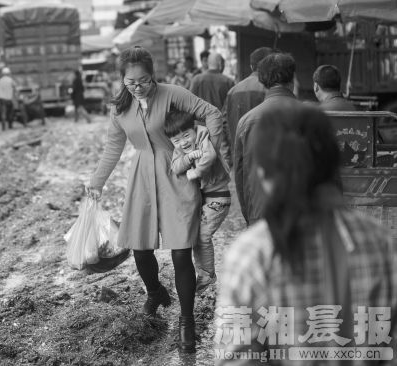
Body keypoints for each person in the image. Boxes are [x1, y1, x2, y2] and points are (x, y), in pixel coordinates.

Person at [216, 103, 396, 365]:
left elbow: (235, 359)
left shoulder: (250, 255)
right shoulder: (380, 243)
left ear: (264, 174)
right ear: (334, 164)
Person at [87, 46, 228, 353]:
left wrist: (213, 151)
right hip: (141, 177)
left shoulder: (172, 93)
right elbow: (113, 148)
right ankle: (155, 292)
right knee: (139, 248)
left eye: (143, 80)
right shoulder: (120, 108)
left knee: (180, 252)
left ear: (152, 75)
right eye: (130, 82)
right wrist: (96, 183)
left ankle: (186, 322)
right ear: (122, 78)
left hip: (176, 174)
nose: (137, 86)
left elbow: (212, 112)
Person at [164, 109, 231, 295]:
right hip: (208, 199)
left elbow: (209, 155)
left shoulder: (202, 136)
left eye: (186, 135)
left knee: (203, 236)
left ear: (194, 128)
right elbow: (176, 167)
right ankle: (204, 274)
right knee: (198, 237)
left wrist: (197, 171)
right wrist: (188, 157)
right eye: (177, 140)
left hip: (219, 197)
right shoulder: (179, 149)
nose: (184, 142)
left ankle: (208, 273)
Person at [234, 52, 299, 226]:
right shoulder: (313, 115)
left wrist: (249, 214)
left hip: (260, 210)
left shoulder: (246, 121)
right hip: (304, 210)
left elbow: (240, 173)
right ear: (293, 78)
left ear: (263, 81)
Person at [223, 47, 273, 150]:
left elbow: (223, 124)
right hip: (264, 157)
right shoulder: (271, 89)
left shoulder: (233, 91)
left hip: (238, 156)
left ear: (251, 66)